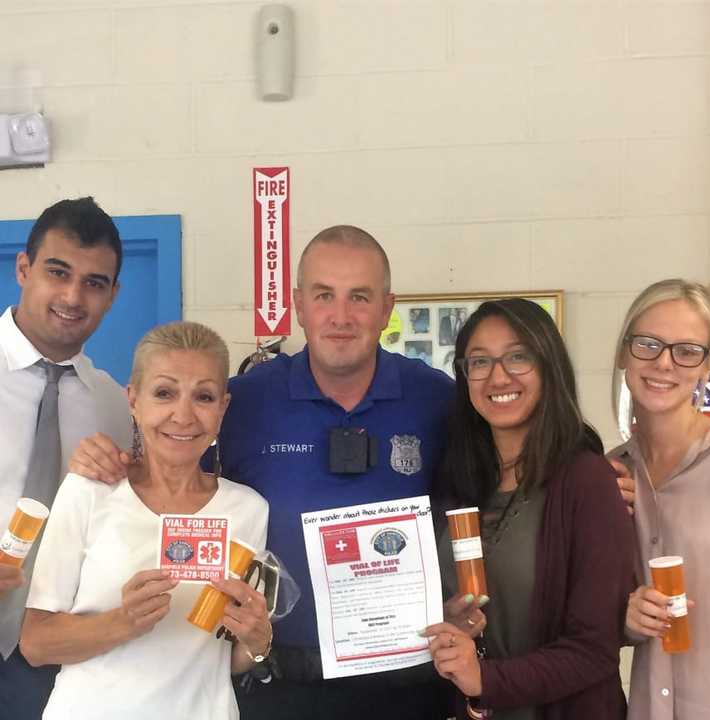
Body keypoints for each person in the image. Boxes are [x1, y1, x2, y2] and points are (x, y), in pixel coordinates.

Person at [68, 226, 456, 719]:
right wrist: (112, 460)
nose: (340, 316)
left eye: (359, 296)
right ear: (298, 303)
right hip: (274, 681)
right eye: (323, 295)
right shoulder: (246, 400)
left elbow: (480, 498)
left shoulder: (437, 398)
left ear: (386, 307)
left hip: (405, 675)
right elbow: (172, 470)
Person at [20, 321, 271, 720]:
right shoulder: (88, 492)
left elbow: (220, 658)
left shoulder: (249, 510)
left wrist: (256, 643)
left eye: (203, 396)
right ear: (133, 401)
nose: (183, 415)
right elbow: (36, 644)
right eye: (164, 393)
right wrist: (124, 621)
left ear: (222, 408)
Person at [424, 298, 635, 719]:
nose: (497, 376)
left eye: (518, 356)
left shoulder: (588, 481)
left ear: (548, 366)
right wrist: (448, 622)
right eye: (479, 362)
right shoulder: (458, 481)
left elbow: (595, 650)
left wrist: (486, 679)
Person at [0, 197, 132, 719]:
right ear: (23, 269)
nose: (73, 296)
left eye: (95, 283)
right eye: (58, 272)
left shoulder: (114, 406)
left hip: (54, 662)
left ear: (113, 295)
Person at [608, 279, 710, 720]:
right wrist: (626, 619)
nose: (664, 363)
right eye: (648, 344)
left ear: (706, 363)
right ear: (623, 352)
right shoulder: (608, 476)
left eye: (687, 350)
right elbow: (585, 616)